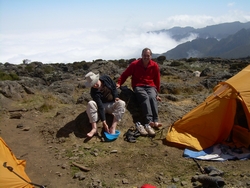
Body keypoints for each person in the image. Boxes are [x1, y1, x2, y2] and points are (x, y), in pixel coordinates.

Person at [116, 48, 162, 136]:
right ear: (141, 55)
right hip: (138, 86)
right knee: (145, 97)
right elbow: (125, 74)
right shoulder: (135, 64)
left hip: (150, 86)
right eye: (144, 55)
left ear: (151, 56)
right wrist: (119, 83)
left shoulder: (154, 65)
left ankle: (155, 121)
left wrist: (157, 93)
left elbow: (157, 80)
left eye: (148, 56)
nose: (146, 57)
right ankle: (148, 122)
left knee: (152, 97)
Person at [84, 71, 126, 138]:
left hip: (111, 105)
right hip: (101, 107)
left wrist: (116, 97)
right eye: (92, 85)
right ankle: (94, 128)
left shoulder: (106, 78)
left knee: (122, 103)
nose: (95, 85)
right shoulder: (93, 92)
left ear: (97, 79)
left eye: (95, 82)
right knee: (90, 103)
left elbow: (114, 87)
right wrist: (104, 121)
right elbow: (100, 106)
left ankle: (113, 127)